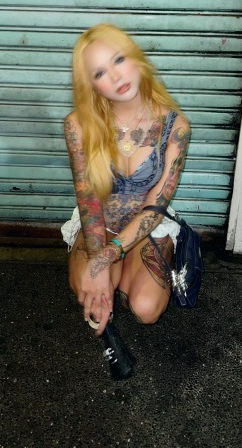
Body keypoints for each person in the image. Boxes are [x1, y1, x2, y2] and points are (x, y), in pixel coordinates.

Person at [62, 23, 191, 337]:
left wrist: (104, 260)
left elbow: (155, 206)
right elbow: (89, 202)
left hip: (149, 225)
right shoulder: (78, 125)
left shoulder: (176, 126)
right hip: (101, 223)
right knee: (94, 295)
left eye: (119, 59)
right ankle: (120, 278)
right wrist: (98, 262)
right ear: (92, 85)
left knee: (146, 308)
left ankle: (134, 271)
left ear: (136, 58)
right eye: (100, 73)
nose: (116, 76)